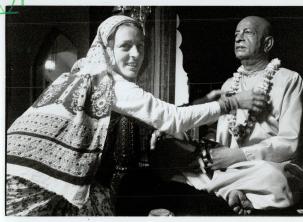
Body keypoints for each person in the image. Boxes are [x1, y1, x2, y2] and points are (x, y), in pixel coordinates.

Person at [5, 15, 267, 216]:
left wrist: (203, 102)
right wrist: (232, 102)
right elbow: (170, 119)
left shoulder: (86, 73)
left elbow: (159, 115)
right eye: (125, 47)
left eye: (140, 46)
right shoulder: (106, 80)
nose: (135, 55)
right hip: (25, 184)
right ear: (107, 51)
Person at [167, 16, 303, 215]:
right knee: (169, 155)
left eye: (247, 32)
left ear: (267, 43)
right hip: (231, 168)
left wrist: (237, 155)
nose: (238, 38)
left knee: (276, 180)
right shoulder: (230, 85)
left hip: (269, 164)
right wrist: (207, 151)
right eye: (236, 34)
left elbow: (290, 143)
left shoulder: (289, 79)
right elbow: (219, 135)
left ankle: (221, 191)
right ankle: (234, 192)